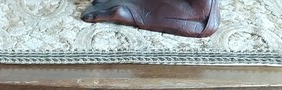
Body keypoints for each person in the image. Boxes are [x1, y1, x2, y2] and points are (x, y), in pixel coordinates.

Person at [81, 0, 219, 38]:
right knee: (205, 24)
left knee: (203, 23)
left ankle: (126, 11)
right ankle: (126, 12)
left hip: (193, 10)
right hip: (194, 10)